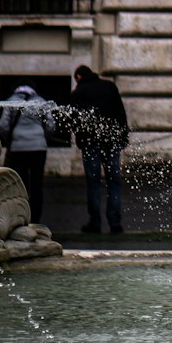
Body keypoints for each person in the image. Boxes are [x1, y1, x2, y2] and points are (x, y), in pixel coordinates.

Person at [69, 64, 129, 235]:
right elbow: (120, 112)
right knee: (114, 182)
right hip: (111, 141)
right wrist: (123, 137)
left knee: (93, 183)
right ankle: (115, 222)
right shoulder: (110, 86)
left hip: (90, 143)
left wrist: (79, 138)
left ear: (79, 77)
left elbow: (73, 118)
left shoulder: (80, 91)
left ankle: (95, 222)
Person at [0, 82, 54, 224]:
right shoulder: (40, 101)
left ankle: (22, 215)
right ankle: (36, 217)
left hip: (18, 148)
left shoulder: (11, 101)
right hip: (38, 148)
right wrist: (43, 138)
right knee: (37, 182)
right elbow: (51, 124)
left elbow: (3, 125)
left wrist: (9, 138)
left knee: (20, 182)